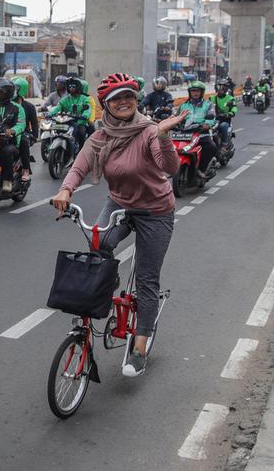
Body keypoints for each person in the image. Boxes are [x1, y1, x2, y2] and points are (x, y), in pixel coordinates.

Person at [51, 73, 187, 376]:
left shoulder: (150, 130)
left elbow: (170, 167)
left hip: (155, 210)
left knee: (147, 280)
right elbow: (79, 166)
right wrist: (65, 190)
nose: (124, 102)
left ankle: (140, 348)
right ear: (106, 105)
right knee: (98, 245)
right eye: (116, 98)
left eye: (129, 96)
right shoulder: (100, 137)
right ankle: (107, 286)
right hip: (120, 204)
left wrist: (164, 137)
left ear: (136, 100)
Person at [176, 81, 219, 180]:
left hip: (201, 133)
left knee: (211, 147)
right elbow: (176, 117)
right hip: (185, 134)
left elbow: (212, 117)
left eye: (197, 91)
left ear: (201, 92)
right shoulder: (183, 105)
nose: (195, 93)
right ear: (189, 92)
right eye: (193, 91)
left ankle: (201, 169)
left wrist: (207, 124)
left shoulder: (207, 105)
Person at [48, 76, 93, 147]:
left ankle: (81, 150)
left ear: (78, 87)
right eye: (69, 86)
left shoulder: (84, 99)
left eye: (73, 86)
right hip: (68, 122)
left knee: (82, 132)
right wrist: (50, 114)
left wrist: (85, 115)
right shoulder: (65, 99)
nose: (71, 88)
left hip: (80, 122)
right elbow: (58, 107)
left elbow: (87, 109)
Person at [11, 77, 37, 181]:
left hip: (23, 132)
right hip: (8, 131)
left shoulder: (29, 107)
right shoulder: (7, 104)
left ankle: (26, 169)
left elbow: (34, 123)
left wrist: (35, 137)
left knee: (24, 142)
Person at [209, 81, 238, 148]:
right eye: (219, 87)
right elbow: (205, 107)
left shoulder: (230, 98)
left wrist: (230, 113)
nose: (220, 89)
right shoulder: (212, 98)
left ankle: (225, 143)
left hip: (224, 120)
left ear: (226, 88)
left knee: (223, 126)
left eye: (222, 87)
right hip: (213, 120)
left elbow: (234, 107)